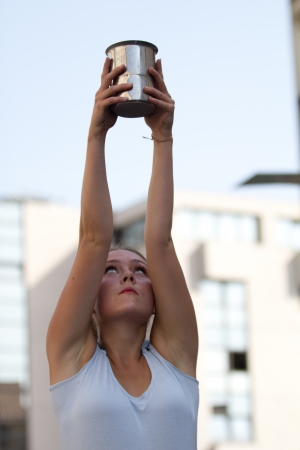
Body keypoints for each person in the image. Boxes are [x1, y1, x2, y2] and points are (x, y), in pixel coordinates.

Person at [46, 57, 199, 450]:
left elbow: (160, 241)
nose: (129, 274)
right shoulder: (72, 361)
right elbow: (94, 240)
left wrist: (163, 137)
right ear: (90, 303)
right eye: (111, 270)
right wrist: (97, 134)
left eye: (140, 270)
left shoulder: (176, 360)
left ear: (155, 302)